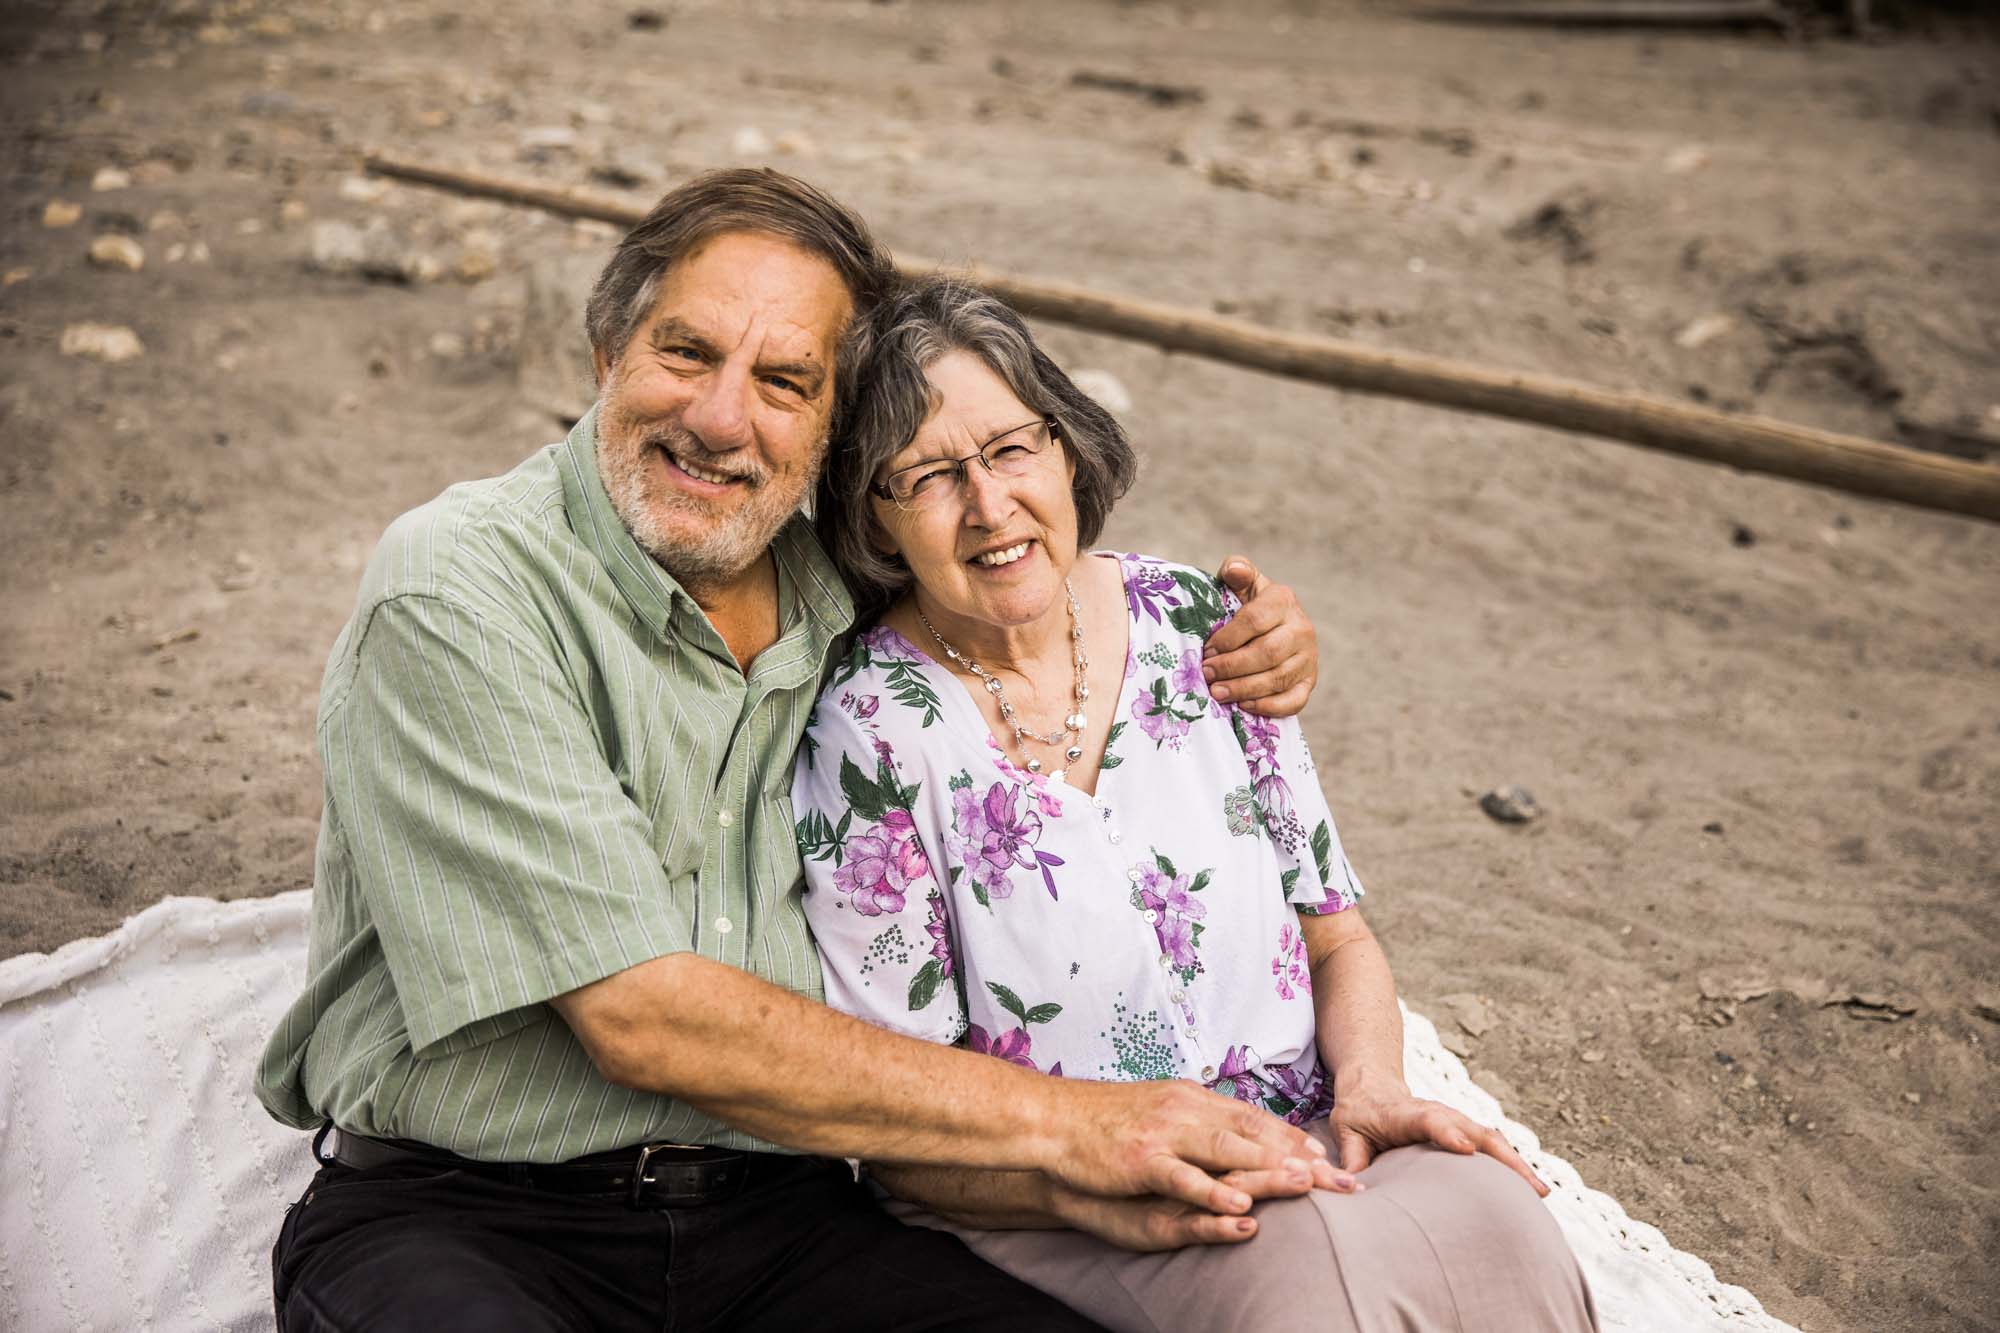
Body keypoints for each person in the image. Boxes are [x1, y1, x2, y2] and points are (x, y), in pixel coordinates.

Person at [253, 168, 1342, 1333]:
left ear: (829, 435)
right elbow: (640, 1017)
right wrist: (1075, 1131)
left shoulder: (836, 580)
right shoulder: (459, 589)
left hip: (784, 1213)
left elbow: (1024, 576)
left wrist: (1240, 637)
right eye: (686, 353)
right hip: (470, 1218)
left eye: (784, 381)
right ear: (605, 349)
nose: (721, 419)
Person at [794, 275, 1601, 1331]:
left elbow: (1335, 936)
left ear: (1067, 447)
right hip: (1062, 1192)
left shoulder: (1193, 621)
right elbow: (898, 1118)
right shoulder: (867, 730)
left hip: (1301, 1123)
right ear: (874, 519)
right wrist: (1083, 1173)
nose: (988, 505)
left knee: (1499, 1220)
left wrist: (1366, 1084)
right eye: (930, 476)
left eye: (1008, 450)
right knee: (1309, 1279)